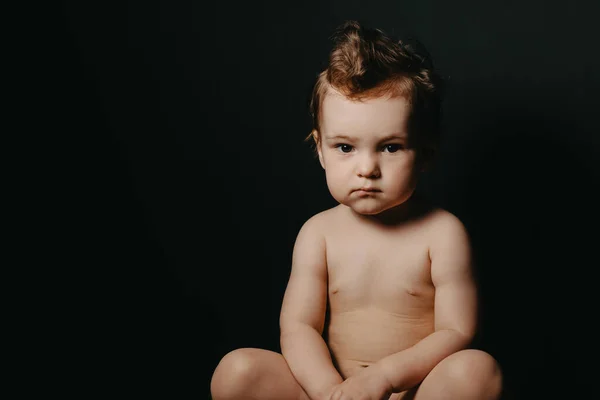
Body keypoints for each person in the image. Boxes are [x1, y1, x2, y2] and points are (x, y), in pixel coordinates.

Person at [210, 20, 503, 400]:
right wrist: (331, 390)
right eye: (345, 147)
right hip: (329, 393)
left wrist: (383, 378)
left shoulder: (442, 234)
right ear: (320, 149)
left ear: (426, 152)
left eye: (391, 147)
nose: (367, 168)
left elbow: (457, 330)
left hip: (411, 393)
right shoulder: (318, 234)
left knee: (477, 372)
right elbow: (298, 327)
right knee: (237, 372)